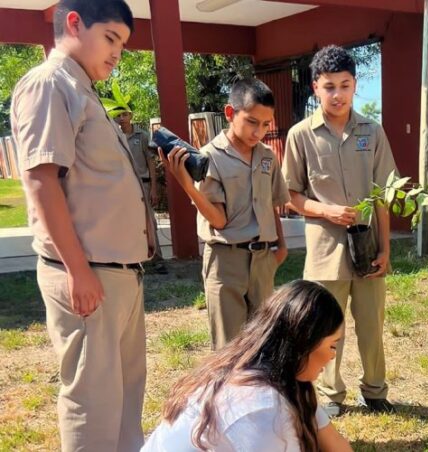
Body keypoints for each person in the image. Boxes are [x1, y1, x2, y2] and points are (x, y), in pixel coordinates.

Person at [10, 1, 156, 450]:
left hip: (117, 274)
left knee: (125, 396)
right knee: (93, 403)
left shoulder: (85, 90)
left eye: (124, 45)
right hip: (88, 273)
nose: (117, 54)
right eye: (111, 38)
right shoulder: (50, 84)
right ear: (74, 23)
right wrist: (77, 271)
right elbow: (40, 179)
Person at [282, 45, 398, 417]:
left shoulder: (372, 131)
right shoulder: (300, 135)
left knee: (371, 325)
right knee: (325, 328)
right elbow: (290, 195)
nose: (338, 94)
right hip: (325, 251)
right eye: (329, 86)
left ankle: (375, 391)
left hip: (367, 248)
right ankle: (331, 396)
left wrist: (386, 249)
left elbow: (384, 194)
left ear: (355, 85)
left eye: (345, 85)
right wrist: (326, 210)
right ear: (315, 87)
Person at [142, 280, 353, 452]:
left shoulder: (279, 379)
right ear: (305, 343)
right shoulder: (262, 407)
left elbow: (337, 446)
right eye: (332, 345)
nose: (333, 356)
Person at [161, 77, 290, 350]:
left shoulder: (267, 156)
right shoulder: (209, 157)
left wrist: (281, 246)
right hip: (226, 261)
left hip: (263, 259)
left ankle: (257, 394)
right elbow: (218, 220)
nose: (259, 131)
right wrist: (186, 184)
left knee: (263, 344)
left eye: (266, 124)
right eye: (252, 121)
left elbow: (272, 204)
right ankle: (227, 395)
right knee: (228, 347)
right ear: (230, 113)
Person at [115, 108, 168, 274]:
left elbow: (151, 162)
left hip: (143, 184)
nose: (122, 118)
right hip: (124, 186)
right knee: (128, 222)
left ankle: (157, 259)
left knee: (149, 222)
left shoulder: (142, 136)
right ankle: (135, 259)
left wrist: (153, 188)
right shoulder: (114, 137)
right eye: (118, 115)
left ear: (130, 116)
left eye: (125, 114)